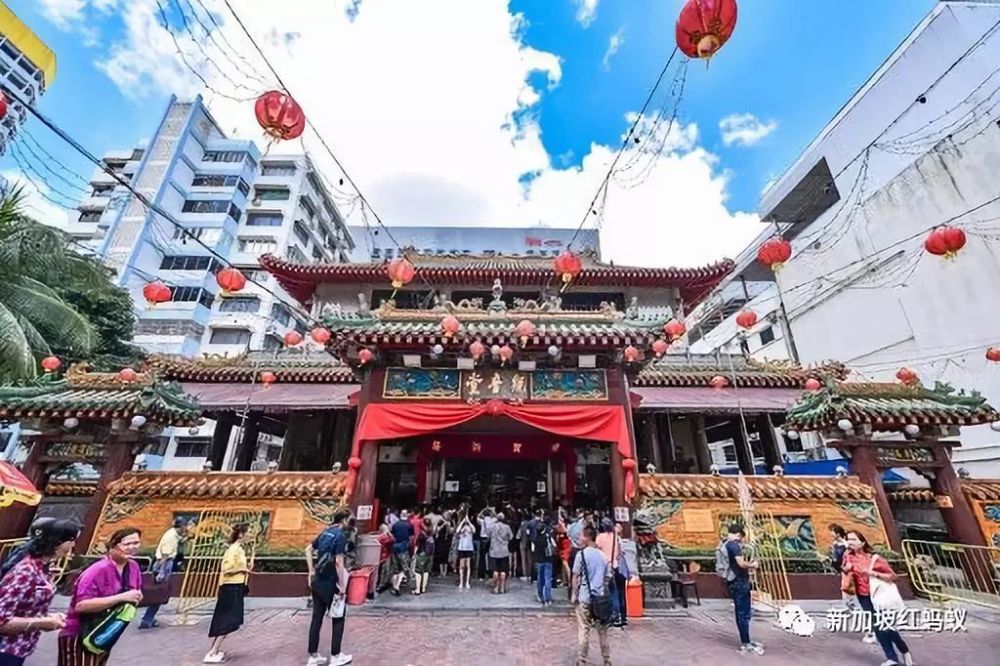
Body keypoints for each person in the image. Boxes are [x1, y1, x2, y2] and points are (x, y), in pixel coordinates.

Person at [59, 527, 144, 666]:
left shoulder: (133, 567)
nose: (132, 548)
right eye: (126, 544)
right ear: (112, 546)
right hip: (80, 633)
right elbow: (81, 605)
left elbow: (134, 593)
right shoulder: (98, 569)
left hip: (106, 631)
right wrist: (122, 597)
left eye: (136, 543)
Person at [0, 519, 79, 666]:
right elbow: (1, 619)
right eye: (72, 540)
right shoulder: (26, 572)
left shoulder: (41, 566)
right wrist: (43, 622)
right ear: (57, 542)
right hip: (6, 649)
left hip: (19, 646)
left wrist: (48, 617)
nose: (73, 545)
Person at [843, 531, 914, 666]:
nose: (850, 542)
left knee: (885, 625)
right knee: (877, 626)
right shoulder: (848, 556)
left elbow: (893, 576)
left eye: (853, 539)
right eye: (848, 539)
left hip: (879, 595)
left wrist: (872, 573)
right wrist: (846, 570)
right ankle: (892, 658)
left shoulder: (874, 559)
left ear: (862, 543)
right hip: (863, 596)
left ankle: (904, 650)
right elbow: (845, 571)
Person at [305, 510, 353, 666]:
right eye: (349, 520)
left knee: (316, 618)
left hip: (318, 580)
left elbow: (308, 549)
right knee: (338, 617)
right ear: (344, 520)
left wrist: (311, 571)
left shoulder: (325, 533)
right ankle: (336, 655)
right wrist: (342, 586)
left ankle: (313, 656)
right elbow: (339, 562)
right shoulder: (340, 536)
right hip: (330, 581)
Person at [204, 524, 252, 664]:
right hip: (231, 587)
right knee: (227, 619)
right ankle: (213, 652)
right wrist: (244, 568)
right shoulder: (234, 550)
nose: (250, 535)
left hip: (235, 586)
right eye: (248, 532)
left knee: (226, 619)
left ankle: (214, 649)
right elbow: (227, 569)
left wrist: (246, 568)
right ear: (241, 534)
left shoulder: (239, 550)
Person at [572, 526, 611, 666]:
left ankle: (582, 660)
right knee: (603, 632)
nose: (580, 538)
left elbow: (575, 577)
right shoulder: (603, 556)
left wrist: (573, 595)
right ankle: (606, 660)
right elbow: (608, 577)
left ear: (587, 537)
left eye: (582, 536)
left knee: (584, 629)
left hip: (584, 597)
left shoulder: (581, 555)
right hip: (600, 597)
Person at [723, 524, 764, 656]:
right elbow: (740, 563)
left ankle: (746, 640)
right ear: (739, 535)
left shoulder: (726, 544)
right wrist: (753, 565)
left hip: (734, 581)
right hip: (739, 582)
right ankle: (746, 642)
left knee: (743, 611)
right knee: (743, 612)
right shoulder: (734, 546)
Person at [139, 518, 188, 629]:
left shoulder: (173, 534)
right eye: (185, 526)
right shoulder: (171, 537)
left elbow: (178, 541)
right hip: (164, 564)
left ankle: (148, 618)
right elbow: (165, 555)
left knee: (159, 592)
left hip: (165, 563)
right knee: (159, 592)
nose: (186, 528)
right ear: (181, 526)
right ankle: (147, 619)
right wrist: (161, 571)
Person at [596, 519, 627, 627]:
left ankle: (606, 615)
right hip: (615, 566)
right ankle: (618, 615)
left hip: (604, 567)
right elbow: (621, 552)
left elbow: (597, 551)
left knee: (605, 593)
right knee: (616, 592)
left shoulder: (600, 538)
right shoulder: (616, 537)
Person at [531, 513, 555, 606]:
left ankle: (540, 596)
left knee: (540, 579)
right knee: (548, 579)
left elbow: (533, 550)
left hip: (539, 560)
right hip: (548, 560)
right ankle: (548, 598)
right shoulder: (548, 536)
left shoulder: (535, 539)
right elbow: (554, 546)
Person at [389, 509, 413, 596]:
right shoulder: (409, 525)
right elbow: (411, 537)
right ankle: (397, 586)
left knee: (395, 568)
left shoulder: (395, 524)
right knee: (404, 567)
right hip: (403, 547)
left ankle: (394, 585)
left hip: (395, 547)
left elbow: (392, 535)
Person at [487, 512, 513, 594]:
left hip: (494, 551)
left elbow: (488, 535)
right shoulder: (507, 527)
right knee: (503, 570)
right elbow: (511, 537)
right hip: (504, 551)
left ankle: (496, 587)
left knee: (495, 570)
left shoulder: (493, 527)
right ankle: (502, 588)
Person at [412, 518, 434, 595]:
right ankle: (423, 588)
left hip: (422, 553)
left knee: (418, 571)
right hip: (430, 554)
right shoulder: (431, 533)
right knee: (426, 571)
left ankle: (418, 589)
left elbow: (418, 545)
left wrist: (414, 554)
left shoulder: (422, 534)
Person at [455, 509, 475, 590]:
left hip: (469, 548)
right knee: (461, 566)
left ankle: (467, 582)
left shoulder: (470, 527)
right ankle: (461, 582)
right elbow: (457, 531)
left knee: (468, 566)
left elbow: (474, 530)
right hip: (461, 548)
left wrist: (469, 522)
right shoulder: (461, 527)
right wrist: (462, 521)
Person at [375, 524, 395, 594]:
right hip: (386, 554)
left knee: (381, 570)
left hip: (380, 555)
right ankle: (382, 584)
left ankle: (379, 584)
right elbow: (393, 540)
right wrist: (389, 533)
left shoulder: (379, 537)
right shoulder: (386, 537)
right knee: (385, 570)